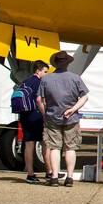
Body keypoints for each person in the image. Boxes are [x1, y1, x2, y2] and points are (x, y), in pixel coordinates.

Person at [37, 51, 89, 187]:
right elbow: (84, 96)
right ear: (67, 63)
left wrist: (44, 113)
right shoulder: (75, 78)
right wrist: (73, 109)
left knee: (54, 147)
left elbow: (39, 99)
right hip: (71, 118)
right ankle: (69, 177)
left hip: (52, 117)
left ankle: (54, 177)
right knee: (70, 148)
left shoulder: (46, 79)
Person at [19, 61, 48, 184]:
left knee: (29, 144)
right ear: (38, 70)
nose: (46, 74)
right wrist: (44, 114)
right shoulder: (38, 82)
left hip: (24, 115)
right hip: (35, 116)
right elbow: (39, 100)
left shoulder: (25, 82)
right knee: (45, 143)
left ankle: (30, 173)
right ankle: (50, 171)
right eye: (45, 71)